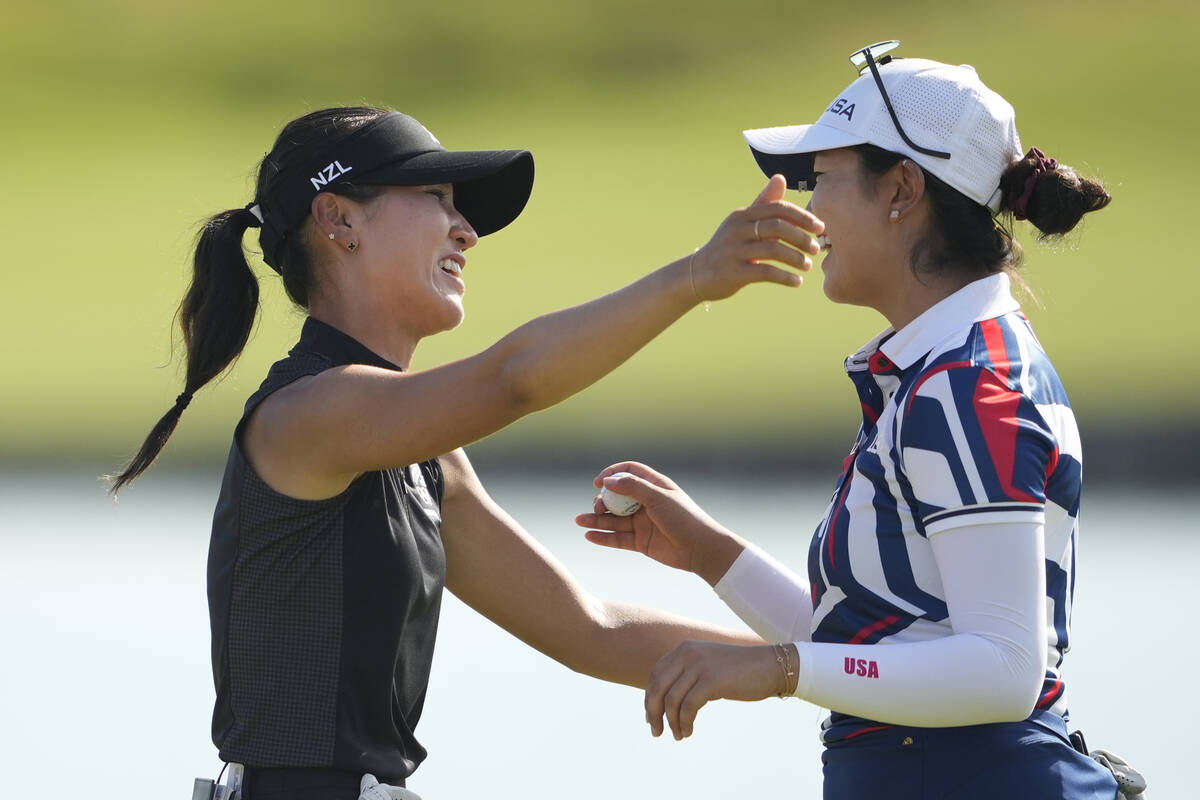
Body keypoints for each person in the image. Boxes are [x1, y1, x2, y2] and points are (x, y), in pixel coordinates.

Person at [107, 105, 823, 800]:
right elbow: (513, 380)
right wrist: (694, 277)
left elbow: (591, 630)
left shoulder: (425, 454)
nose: (468, 232)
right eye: (436, 199)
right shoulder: (309, 413)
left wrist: (814, 670)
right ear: (339, 219)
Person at [577, 42, 1132, 799]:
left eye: (825, 178)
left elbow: (1002, 671)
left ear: (902, 188)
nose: (811, 209)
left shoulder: (969, 382)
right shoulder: (940, 371)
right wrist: (710, 552)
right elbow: (881, 645)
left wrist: (777, 670)